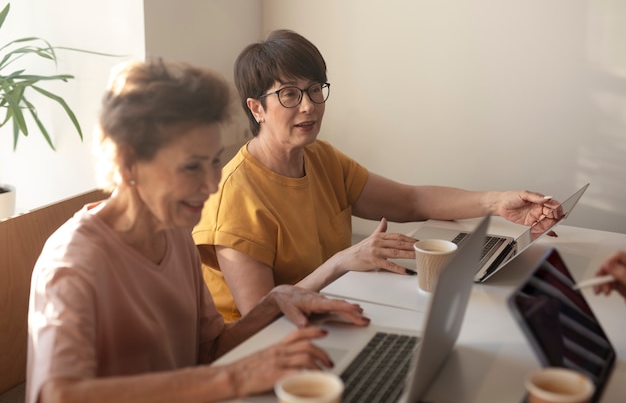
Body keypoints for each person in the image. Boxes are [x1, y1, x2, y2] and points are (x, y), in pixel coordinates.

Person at [26, 59, 370, 403]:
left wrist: (274, 302)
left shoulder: (174, 232)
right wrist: (231, 379)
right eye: (191, 167)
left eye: (214, 161)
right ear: (128, 162)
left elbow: (208, 351)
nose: (210, 184)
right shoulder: (71, 264)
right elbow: (60, 394)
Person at [192, 29, 563, 323]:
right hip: (267, 344)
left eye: (315, 90)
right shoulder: (235, 196)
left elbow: (412, 201)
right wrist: (341, 261)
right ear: (256, 108)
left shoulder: (321, 158)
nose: (308, 106)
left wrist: (496, 202)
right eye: (289, 94)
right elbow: (260, 314)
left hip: (331, 309)